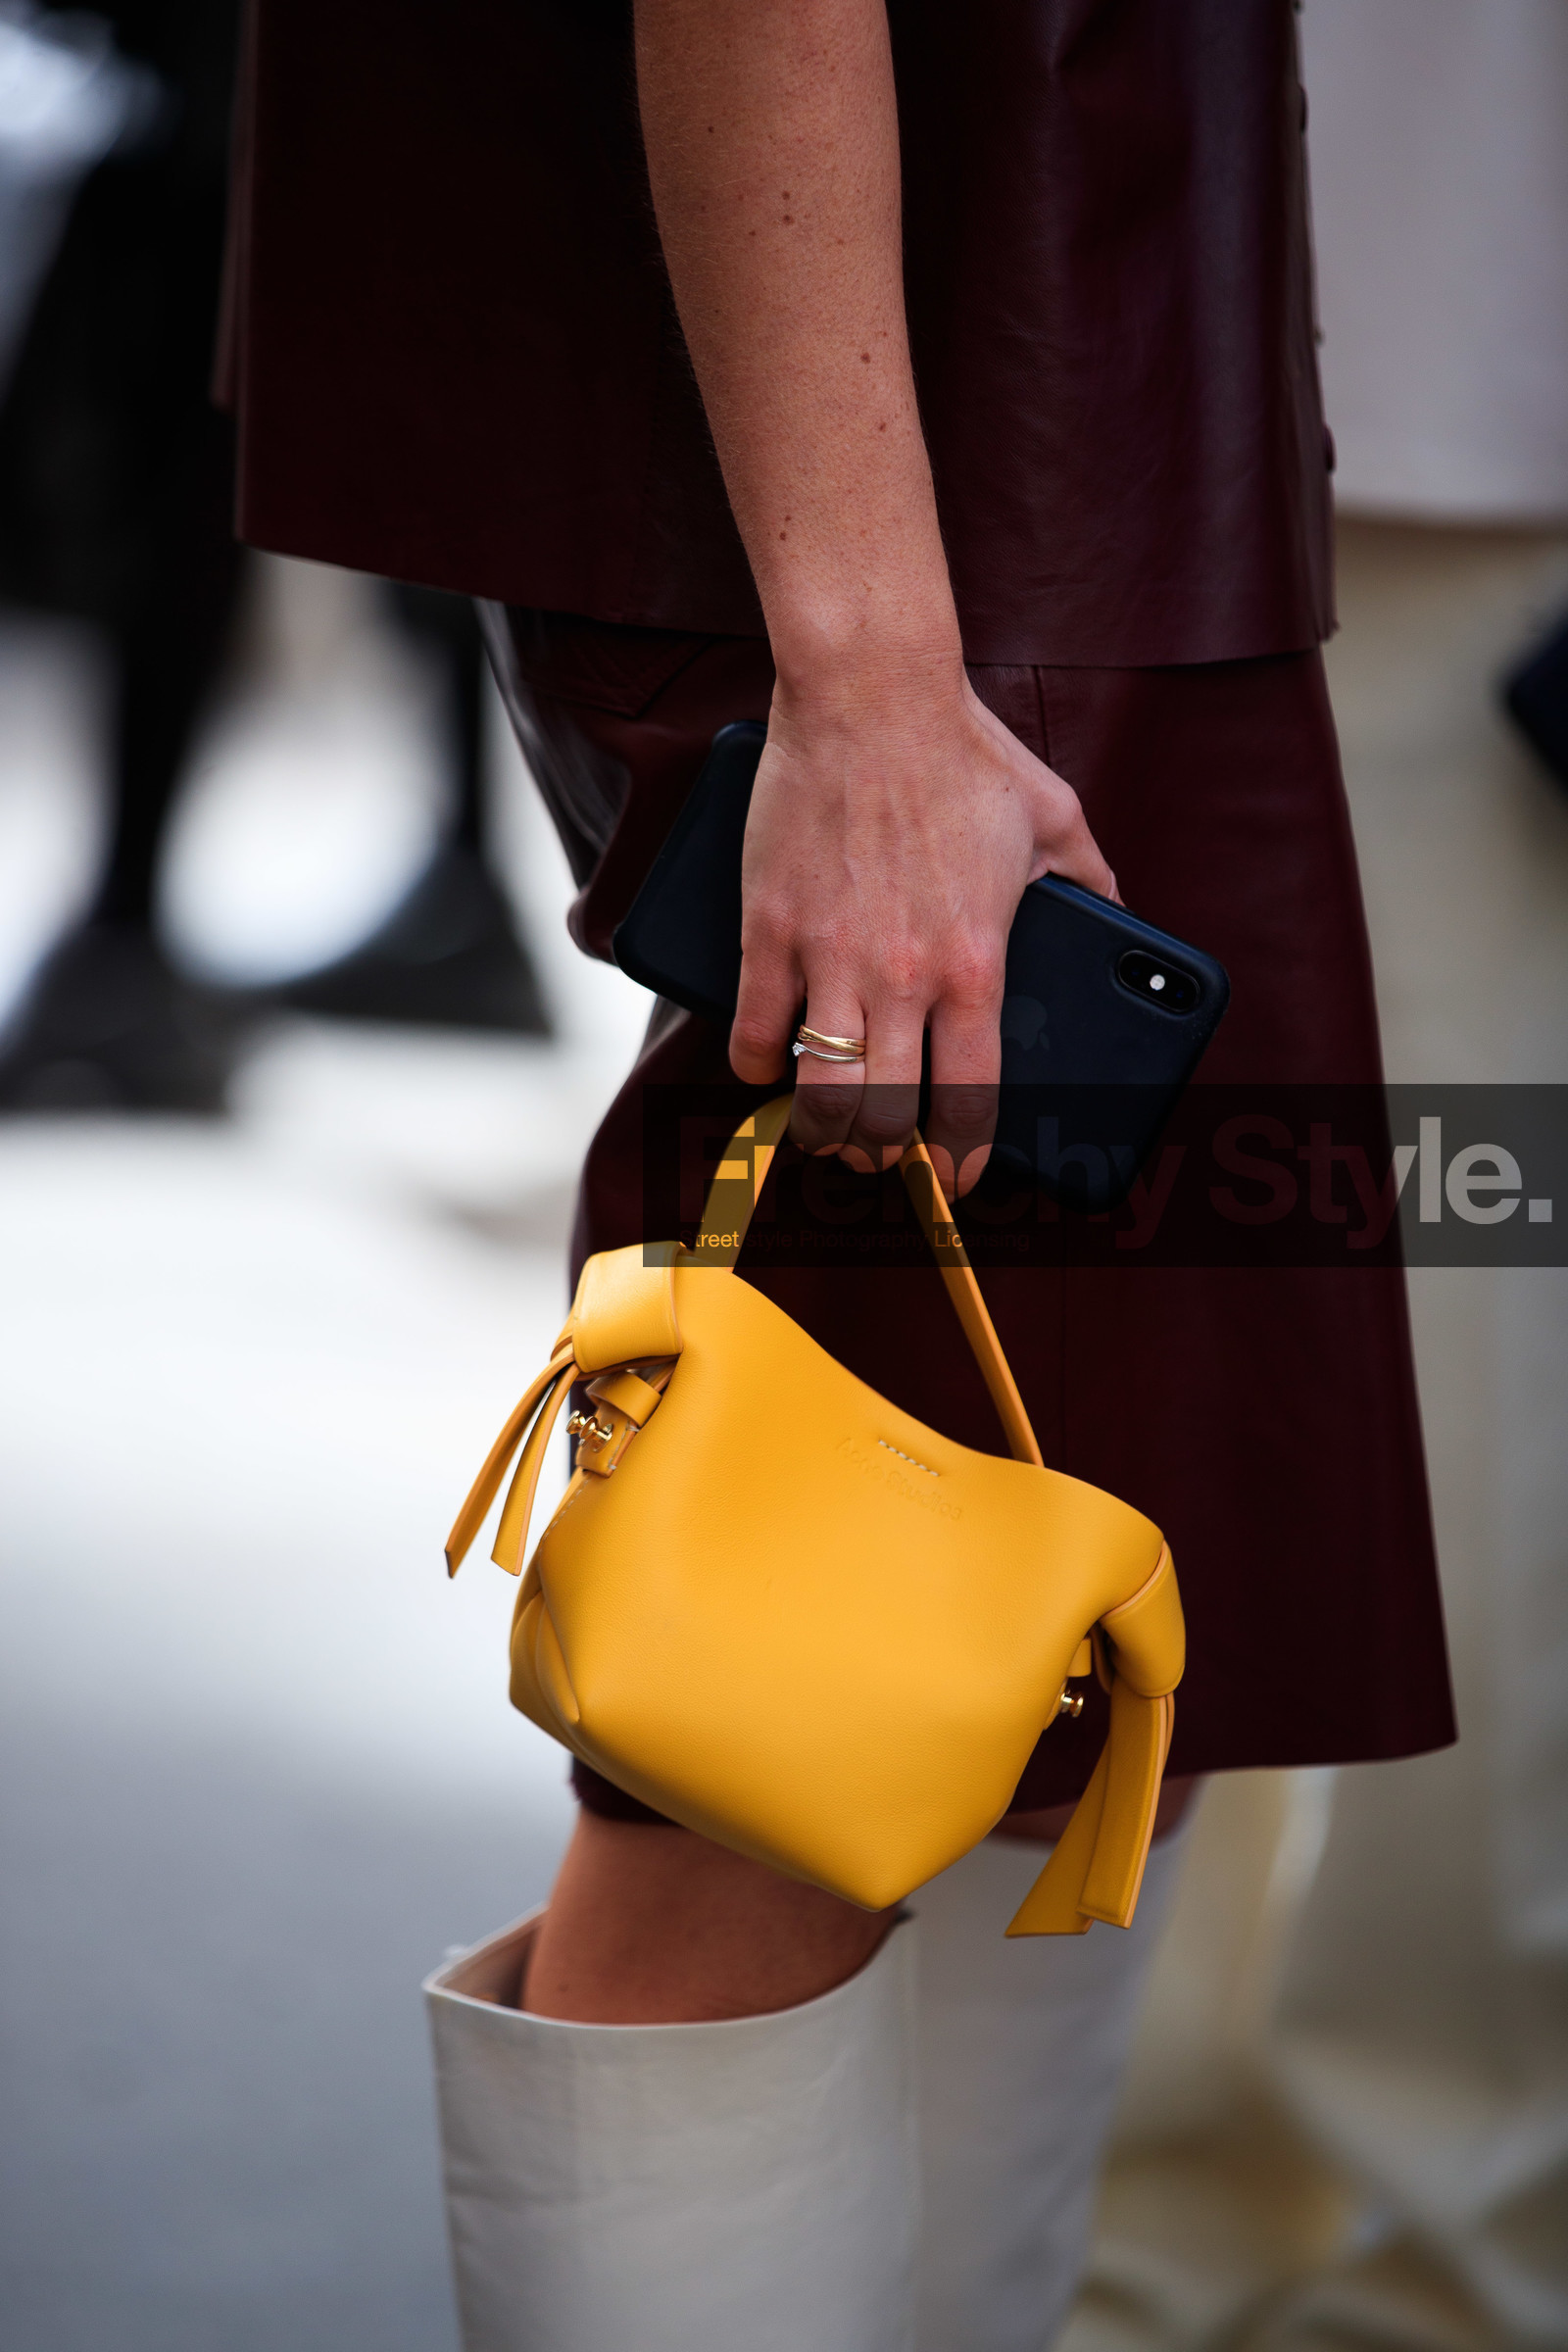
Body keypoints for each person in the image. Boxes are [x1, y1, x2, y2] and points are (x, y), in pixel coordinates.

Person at [226, 3, 1456, 2344]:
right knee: (790, 1687)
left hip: (1079, 403)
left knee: (1050, 1664)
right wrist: (873, 672)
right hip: (959, 466)